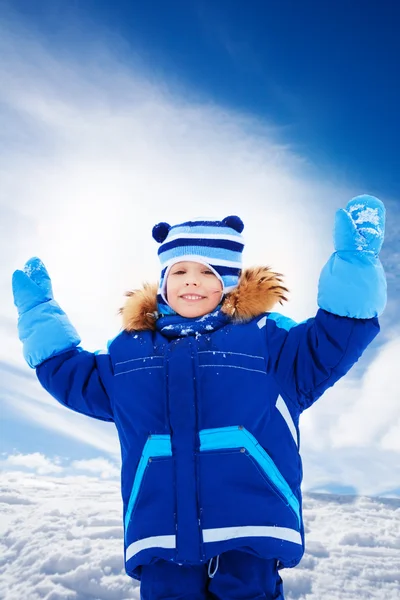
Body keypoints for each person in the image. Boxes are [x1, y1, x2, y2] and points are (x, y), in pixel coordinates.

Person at [12, 195, 387, 599]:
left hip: (251, 528)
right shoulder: (129, 352)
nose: (191, 280)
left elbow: (334, 338)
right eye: (179, 271)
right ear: (163, 284)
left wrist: (355, 265)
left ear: (228, 282)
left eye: (207, 272)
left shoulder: (270, 343)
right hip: (160, 535)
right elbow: (72, 376)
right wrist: (38, 314)